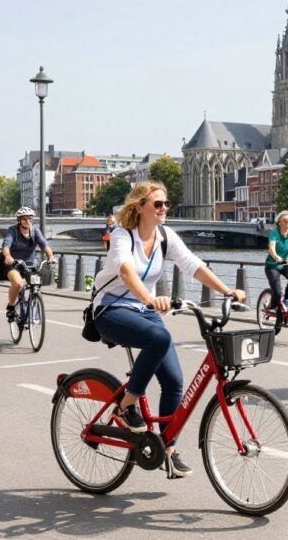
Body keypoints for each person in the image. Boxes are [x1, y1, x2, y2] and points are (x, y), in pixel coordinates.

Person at [92, 182, 246, 478]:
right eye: (157, 204)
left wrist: (227, 290)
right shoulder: (123, 236)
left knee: (175, 382)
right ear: (140, 207)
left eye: (166, 203)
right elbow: (125, 270)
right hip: (110, 309)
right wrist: (149, 298)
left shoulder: (165, 235)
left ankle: (168, 449)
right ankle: (126, 406)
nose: (164, 209)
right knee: (159, 338)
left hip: (143, 310)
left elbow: (192, 264)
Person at [0, 207, 56, 322]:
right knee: (18, 284)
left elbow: (44, 245)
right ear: (19, 220)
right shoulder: (12, 230)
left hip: (30, 264)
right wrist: (8, 256)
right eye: (24, 219)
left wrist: (51, 256)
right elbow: (6, 245)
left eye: (30, 219)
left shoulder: (35, 231)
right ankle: (11, 307)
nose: (28, 221)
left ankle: (34, 300)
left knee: (37, 284)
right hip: (12, 264)